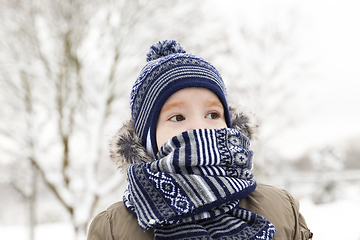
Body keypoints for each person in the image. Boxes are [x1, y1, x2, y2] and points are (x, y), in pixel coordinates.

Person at [87, 40, 313, 240]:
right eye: (177, 117)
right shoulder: (113, 228)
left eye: (213, 115)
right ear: (147, 140)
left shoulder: (281, 209)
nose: (199, 127)